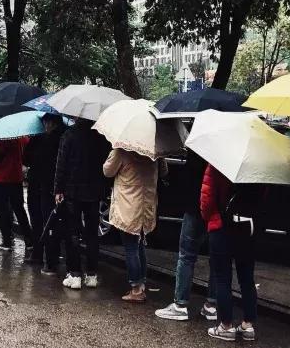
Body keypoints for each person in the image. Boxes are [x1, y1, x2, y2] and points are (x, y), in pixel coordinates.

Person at [201, 163, 262, 342]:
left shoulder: (218, 162)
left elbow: (206, 199)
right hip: (246, 227)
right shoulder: (258, 167)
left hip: (221, 226)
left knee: (222, 278)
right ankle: (248, 325)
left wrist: (211, 219)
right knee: (247, 278)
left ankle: (226, 326)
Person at [156, 149, 216, 321]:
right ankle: (211, 305)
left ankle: (180, 305)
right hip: (218, 211)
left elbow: (189, 178)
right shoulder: (227, 150)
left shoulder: (200, 146)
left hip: (195, 207)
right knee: (216, 259)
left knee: (187, 256)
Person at [54, 118, 110, 289]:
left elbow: (61, 164)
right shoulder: (101, 137)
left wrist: (58, 189)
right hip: (94, 192)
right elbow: (106, 164)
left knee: (72, 232)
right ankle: (92, 274)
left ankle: (75, 273)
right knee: (92, 234)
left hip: (73, 191)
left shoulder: (69, 135)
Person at [103, 147, 162, 302]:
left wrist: (112, 151)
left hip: (128, 206)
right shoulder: (154, 151)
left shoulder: (122, 150)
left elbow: (107, 171)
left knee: (131, 247)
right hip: (146, 205)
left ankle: (136, 289)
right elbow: (164, 171)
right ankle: (141, 283)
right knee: (139, 245)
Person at [25, 115, 66, 274]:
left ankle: (44, 258)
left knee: (42, 222)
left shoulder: (43, 139)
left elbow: (28, 159)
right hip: (58, 187)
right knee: (56, 223)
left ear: (50, 123)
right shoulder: (65, 136)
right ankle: (52, 258)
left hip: (42, 186)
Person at [0, 137, 33, 251]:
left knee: (2, 210)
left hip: (0, 178)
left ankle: (7, 241)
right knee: (19, 209)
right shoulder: (21, 137)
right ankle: (29, 240)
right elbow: (26, 152)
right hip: (16, 177)